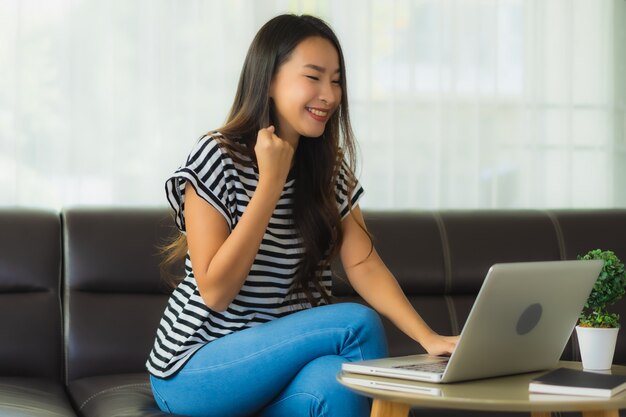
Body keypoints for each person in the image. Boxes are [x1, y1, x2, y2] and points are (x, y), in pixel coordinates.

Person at [147, 13, 459, 417]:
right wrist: (270, 184)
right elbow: (215, 291)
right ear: (269, 80)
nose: (329, 94)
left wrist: (428, 337)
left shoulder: (328, 168)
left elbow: (363, 264)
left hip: (278, 373)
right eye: (313, 77)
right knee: (356, 324)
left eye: (336, 79)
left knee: (337, 382)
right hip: (196, 368)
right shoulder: (216, 156)